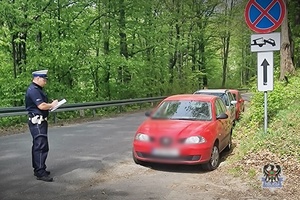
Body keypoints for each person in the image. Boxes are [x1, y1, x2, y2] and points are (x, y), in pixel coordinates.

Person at [25, 70, 58, 182]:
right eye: (44, 80)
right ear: (37, 78)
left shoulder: (38, 90)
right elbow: (41, 106)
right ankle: (40, 172)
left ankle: (39, 168)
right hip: (37, 122)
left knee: (41, 145)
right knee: (40, 146)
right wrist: (52, 105)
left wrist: (51, 105)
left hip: (41, 121)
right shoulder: (33, 90)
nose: (45, 82)